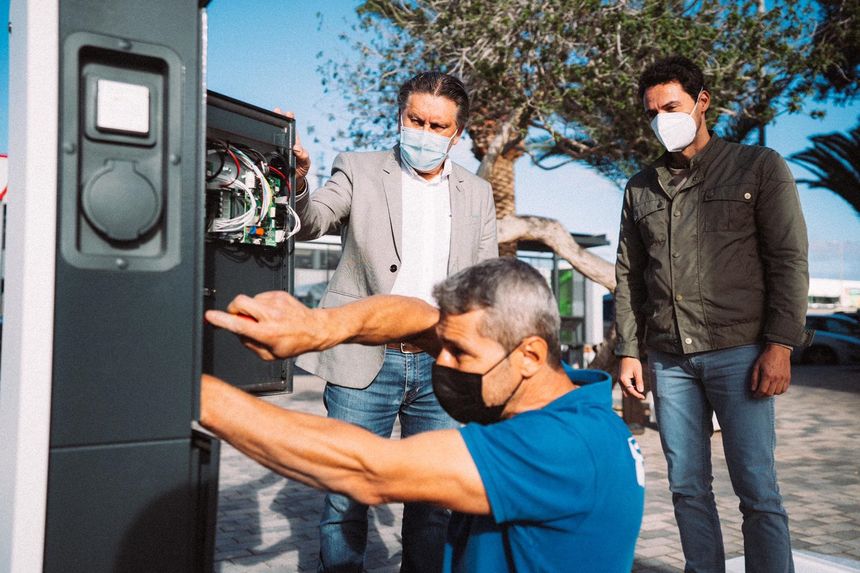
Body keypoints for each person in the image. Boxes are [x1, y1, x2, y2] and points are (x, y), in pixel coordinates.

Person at [203, 257, 645, 573]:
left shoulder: (559, 447)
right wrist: (316, 328)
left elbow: (369, 471)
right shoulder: (549, 385)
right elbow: (418, 319)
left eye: (459, 352)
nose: (442, 361)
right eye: (443, 346)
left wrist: (193, 393)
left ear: (530, 354)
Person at [284, 71, 498, 572]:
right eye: (414, 119)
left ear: (457, 134)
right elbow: (312, 218)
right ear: (399, 117)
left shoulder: (477, 193)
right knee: (345, 499)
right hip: (364, 363)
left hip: (440, 366)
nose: (423, 131)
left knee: (432, 508)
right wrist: (296, 182)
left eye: (437, 125)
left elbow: (486, 282)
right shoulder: (358, 168)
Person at [614, 56, 810, 573]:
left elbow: (788, 260)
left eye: (672, 106)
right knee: (686, 488)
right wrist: (629, 350)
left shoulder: (759, 167)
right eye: (652, 111)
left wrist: (780, 344)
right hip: (670, 360)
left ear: (703, 102)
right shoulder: (639, 188)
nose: (662, 119)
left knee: (757, 488)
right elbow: (629, 275)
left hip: (741, 353)